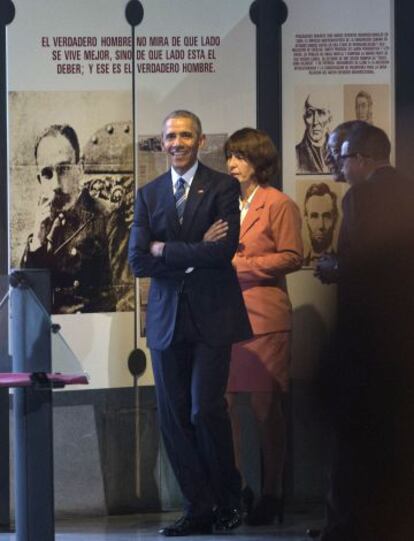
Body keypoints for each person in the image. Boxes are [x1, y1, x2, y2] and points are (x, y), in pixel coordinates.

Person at [128, 110, 252, 536]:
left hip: (213, 318)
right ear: (162, 143)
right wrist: (191, 248)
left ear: (200, 141)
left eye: (185, 135)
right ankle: (197, 507)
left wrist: (168, 250)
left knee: (206, 409)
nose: (176, 143)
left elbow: (223, 252)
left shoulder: (222, 186)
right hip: (166, 322)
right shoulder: (148, 194)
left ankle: (229, 499)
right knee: (174, 417)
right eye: (169, 136)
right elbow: (138, 260)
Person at [316, 123, 414, 541]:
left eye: (340, 157)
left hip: (369, 347)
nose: (337, 167)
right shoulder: (409, 190)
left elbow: (367, 267)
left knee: (355, 447)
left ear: (360, 158)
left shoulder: (363, 198)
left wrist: (333, 267)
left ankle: (344, 529)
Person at [215, 128, 303, 525]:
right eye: (230, 156)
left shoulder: (279, 203)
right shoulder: (224, 203)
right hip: (226, 318)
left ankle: (273, 492)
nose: (232, 164)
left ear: (259, 161)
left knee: (267, 409)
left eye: (241, 157)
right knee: (227, 406)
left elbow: (292, 256)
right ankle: (239, 490)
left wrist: (243, 266)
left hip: (265, 318)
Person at [21, 124, 121, 314]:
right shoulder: (40, 231)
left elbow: (127, 298)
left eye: (64, 169)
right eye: (47, 173)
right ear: (39, 179)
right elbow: (26, 302)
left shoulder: (108, 218)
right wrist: (37, 243)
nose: (56, 184)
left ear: (80, 168)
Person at [303, 182, 338, 267]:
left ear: (335, 219)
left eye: (326, 216)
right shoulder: (300, 265)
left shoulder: (344, 264)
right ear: (306, 220)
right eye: (314, 216)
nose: (321, 226)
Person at [296, 94, 332, 174]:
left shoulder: (338, 154)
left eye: (321, 113)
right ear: (304, 119)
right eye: (310, 114)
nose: (315, 122)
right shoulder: (297, 154)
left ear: (329, 119)